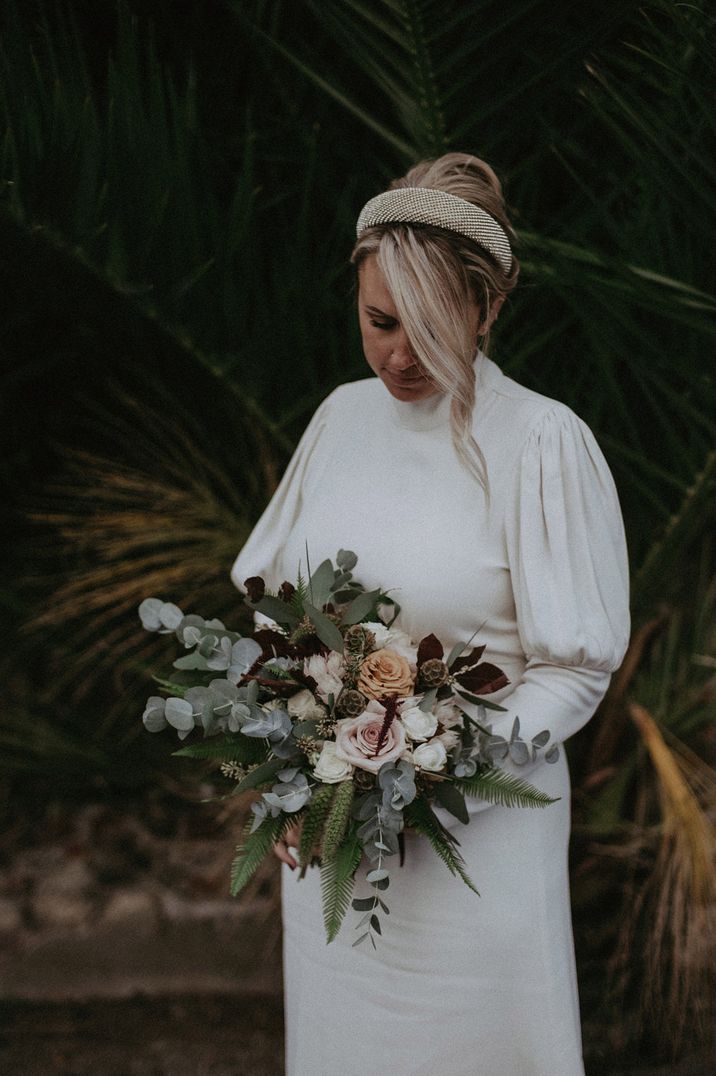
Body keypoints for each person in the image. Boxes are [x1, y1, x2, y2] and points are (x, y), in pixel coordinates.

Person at [230, 152, 630, 1076]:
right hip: (338, 847)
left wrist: (428, 777)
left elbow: (575, 664)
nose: (398, 356)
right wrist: (293, 757)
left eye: (431, 326)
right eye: (378, 322)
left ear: (488, 310)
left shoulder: (541, 443)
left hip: (482, 839)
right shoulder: (337, 418)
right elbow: (272, 615)